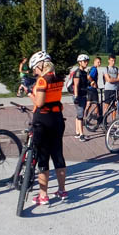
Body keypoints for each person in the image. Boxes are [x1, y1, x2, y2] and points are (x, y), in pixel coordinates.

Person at [26, 53, 68, 204]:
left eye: (35, 68)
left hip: (43, 120)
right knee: (57, 154)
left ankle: (43, 195)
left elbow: (40, 102)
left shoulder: (42, 80)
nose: (34, 72)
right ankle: (62, 190)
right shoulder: (58, 78)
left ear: (41, 65)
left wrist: (29, 92)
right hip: (57, 119)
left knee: (43, 157)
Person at [72, 54, 89, 142]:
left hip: (83, 95)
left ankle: (77, 132)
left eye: (87, 61)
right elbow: (76, 85)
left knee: (79, 114)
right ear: (80, 62)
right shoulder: (78, 72)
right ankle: (81, 134)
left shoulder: (84, 73)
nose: (86, 63)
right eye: (84, 61)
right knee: (80, 115)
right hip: (79, 96)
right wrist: (76, 96)